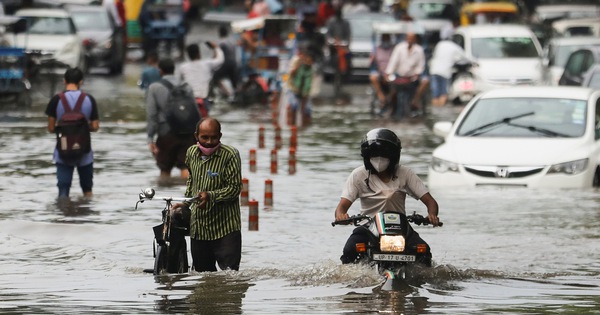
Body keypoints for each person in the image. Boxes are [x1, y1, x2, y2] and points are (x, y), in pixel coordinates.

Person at [333, 128, 440, 266]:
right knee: (350, 249)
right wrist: (342, 216)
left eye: (384, 156)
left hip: (401, 227)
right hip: (369, 227)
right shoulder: (358, 175)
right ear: (366, 156)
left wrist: (432, 215)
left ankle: (423, 279)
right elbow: (341, 207)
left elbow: (430, 202)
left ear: (393, 157)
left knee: (424, 252)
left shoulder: (405, 173)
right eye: (374, 155)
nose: (378, 160)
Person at [172, 117, 243, 272]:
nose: (210, 142)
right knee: (203, 277)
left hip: (226, 228)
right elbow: (192, 182)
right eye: (205, 137)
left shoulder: (230, 155)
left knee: (230, 278)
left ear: (220, 136)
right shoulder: (191, 153)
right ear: (196, 136)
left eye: (214, 137)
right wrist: (186, 203)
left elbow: (235, 188)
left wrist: (210, 195)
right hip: (200, 228)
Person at [45, 68, 100, 198]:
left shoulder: (56, 100)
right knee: (87, 191)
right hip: (84, 151)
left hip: (63, 151)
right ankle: (87, 216)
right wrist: (83, 128)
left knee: (63, 192)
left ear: (64, 81)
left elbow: (51, 128)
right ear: (81, 82)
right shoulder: (89, 99)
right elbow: (95, 126)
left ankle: (64, 216)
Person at [146, 58, 196, 182]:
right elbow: (194, 109)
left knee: (165, 169)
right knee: (186, 167)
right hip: (187, 132)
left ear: (160, 71)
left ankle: (165, 197)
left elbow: (152, 115)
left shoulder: (154, 88)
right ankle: (187, 197)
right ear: (174, 70)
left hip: (166, 133)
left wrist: (150, 138)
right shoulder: (186, 86)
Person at [176, 42, 224, 117]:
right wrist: (216, 48)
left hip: (189, 101)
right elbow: (220, 60)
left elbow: (179, 83)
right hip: (203, 100)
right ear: (199, 53)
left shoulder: (183, 67)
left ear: (188, 55)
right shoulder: (207, 64)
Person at [385, 32, 425, 119]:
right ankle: (392, 107)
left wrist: (417, 73)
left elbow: (420, 65)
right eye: (409, 38)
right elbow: (393, 61)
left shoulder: (419, 50)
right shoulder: (399, 48)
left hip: (412, 78)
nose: (410, 40)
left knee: (418, 88)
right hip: (399, 77)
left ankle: (414, 103)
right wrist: (388, 73)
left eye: (412, 38)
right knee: (393, 92)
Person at [428, 34, 469, 106]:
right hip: (445, 72)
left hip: (434, 71)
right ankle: (441, 112)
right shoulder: (454, 46)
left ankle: (435, 111)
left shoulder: (440, 44)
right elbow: (465, 57)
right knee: (444, 93)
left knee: (435, 95)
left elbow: (434, 54)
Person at [286, 46, 315, 126]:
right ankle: (292, 125)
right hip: (293, 89)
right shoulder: (297, 62)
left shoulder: (310, 70)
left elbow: (308, 84)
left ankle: (305, 126)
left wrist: (305, 95)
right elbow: (291, 75)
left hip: (304, 92)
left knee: (307, 109)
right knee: (294, 105)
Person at [369, 33, 395, 111]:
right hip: (380, 72)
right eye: (384, 38)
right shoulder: (376, 49)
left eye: (387, 38)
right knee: (373, 77)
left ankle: (389, 99)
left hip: (391, 73)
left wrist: (388, 73)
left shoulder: (394, 49)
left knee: (397, 83)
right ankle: (381, 97)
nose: (385, 40)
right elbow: (371, 62)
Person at [212, 25, 239, 99]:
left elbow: (215, 56)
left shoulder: (221, 43)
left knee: (214, 77)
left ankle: (227, 93)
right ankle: (236, 95)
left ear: (219, 33)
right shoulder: (232, 42)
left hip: (225, 65)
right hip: (234, 64)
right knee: (235, 84)